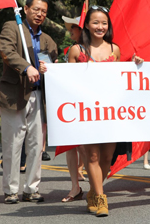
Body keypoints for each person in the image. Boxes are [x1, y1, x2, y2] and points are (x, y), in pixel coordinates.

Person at [66, 6, 143, 217]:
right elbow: (66, 82)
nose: (100, 27)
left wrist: (135, 64)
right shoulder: (76, 51)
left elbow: (120, 78)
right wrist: (49, 70)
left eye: (104, 23)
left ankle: (93, 191)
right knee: (91, 156)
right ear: (87, 25)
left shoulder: (115, 50)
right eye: (95, 22)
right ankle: (100, 198)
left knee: (107, 158)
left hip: (110, 113)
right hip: (86, 113)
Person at [0, 0, 58, 204]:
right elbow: (6, 51)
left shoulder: (48, 39)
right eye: (36, 9)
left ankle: (31, 188)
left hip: (39, 95)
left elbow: (55, 63)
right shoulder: (13, 27)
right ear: (26, 9)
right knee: (12, 144)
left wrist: (50, 68)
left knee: (36, 145)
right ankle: (11, 190)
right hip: (15, 94)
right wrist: (26, 67)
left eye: (44, 12)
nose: (40, 14)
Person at [60, 16, 86, 203]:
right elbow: (69, 76)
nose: (71, 30)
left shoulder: (106, 47)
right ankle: (75, 186)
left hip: (98, 106)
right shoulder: (74, 50)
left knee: (90, 147)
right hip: (75, 102)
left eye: (74, 27)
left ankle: (96, 187)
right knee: (71, 145)